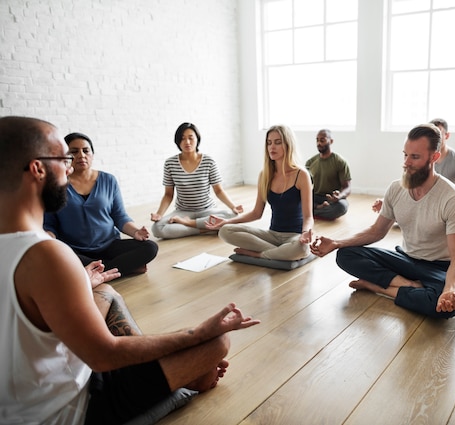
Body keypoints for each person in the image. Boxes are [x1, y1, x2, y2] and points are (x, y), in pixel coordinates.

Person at [0, 116, 260, 424]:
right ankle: (178, 384)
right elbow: (103, 355)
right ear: (37, 169)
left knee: (106, 290)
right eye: (63, 158)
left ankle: (166, 373)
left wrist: (82, 280)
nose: (70, 166)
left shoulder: (31, 251)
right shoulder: (47, 255)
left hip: (18, 399)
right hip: (72, 407)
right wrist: (196, 334)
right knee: (217, 344)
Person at [311, 124, 455, 318]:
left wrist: (450, 290)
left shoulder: (454, 199)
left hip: (440, 268)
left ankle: (379, 287)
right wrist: (337, 243)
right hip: (406, 259)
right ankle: (409, 286)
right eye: (405, 155)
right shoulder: (396, 189)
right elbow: (376, 231)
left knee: (443, 306)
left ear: (434, 157)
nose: (406, 163)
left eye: (415, 157)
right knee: (345, 255)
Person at [44, 132, 158, 277]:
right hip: (75, 250)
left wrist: (136, 232)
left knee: (150, 247)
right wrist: (49, 243)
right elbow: (50, 224)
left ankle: (93, 273)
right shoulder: (55, 185)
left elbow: (119, 216)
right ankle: (117, 268)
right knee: (57, 257)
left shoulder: (109, 180)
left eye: (86, 151)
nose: (81, 155)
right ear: (65, 157)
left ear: (92, 154)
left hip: (109, 245)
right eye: (74, 152)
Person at [206, 124, 314, 261]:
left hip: (294, 236)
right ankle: (278, 253)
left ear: (288, 144)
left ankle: (258, 254)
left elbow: (308, 216)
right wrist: (227, 221)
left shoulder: (301, 175)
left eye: (277, 142)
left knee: (302, 248)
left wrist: (305, 233)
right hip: (272, 236)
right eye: (269, 143)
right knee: (225, 231)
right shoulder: (265, 175)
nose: (272, 147)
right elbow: (256, 213)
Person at [373, 118, 455, 222]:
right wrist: (387, 203)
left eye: (439, 133)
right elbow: (410, 188)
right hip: (425, 201)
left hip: (446, 203)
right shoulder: (417, 159)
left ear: (447, 135)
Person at [150, 122, 243, 239]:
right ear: (178, 141)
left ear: (197, 139)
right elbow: (168, 195)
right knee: (157, 228)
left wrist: (233, 206)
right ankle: (204, 229)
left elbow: (219, 191)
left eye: (190, 138)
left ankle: (189, 224)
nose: (187, 142)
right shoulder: (170, 163)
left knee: (233, 216)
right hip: (183, 212)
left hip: (207, 210)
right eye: (183, 139)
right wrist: (159, 214)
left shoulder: (208, 161)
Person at [305, 128, 352, 220]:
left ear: (331, 141)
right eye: (317, 140)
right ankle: (318, 208)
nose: (319, 143)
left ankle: (311, 211)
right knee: (294, 199)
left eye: (322, 140)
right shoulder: (310, 162)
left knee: (342, 207)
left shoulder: (340, 162)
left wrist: (339, 196)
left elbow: (347, 187)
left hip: (331, 200)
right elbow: (305, 185)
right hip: (315, 197)